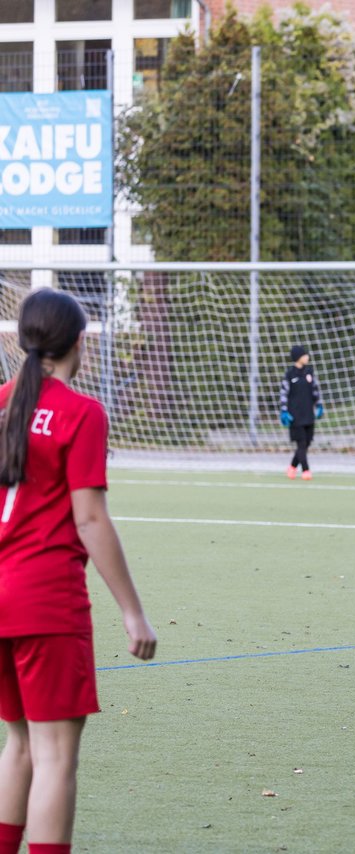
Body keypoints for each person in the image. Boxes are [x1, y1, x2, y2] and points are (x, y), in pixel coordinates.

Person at [0, 289, 158, 854]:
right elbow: (89, 519)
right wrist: (133, 612)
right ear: (77, 345)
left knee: (18, 745)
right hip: (46, 604)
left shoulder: (1, 403)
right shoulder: (81, 413)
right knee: (55, 758)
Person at [280, 345, 323, 479]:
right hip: (295, 415)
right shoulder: (289, 374)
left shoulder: (309, 372)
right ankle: (306, 470)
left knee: (307, 442)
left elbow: (315, 390)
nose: (307, 357)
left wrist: (319, 404)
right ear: (298, 357)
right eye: (304, 355)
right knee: (301, 443)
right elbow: (283, 394)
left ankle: (292, 467)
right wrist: (284, 411)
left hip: (308, 414)